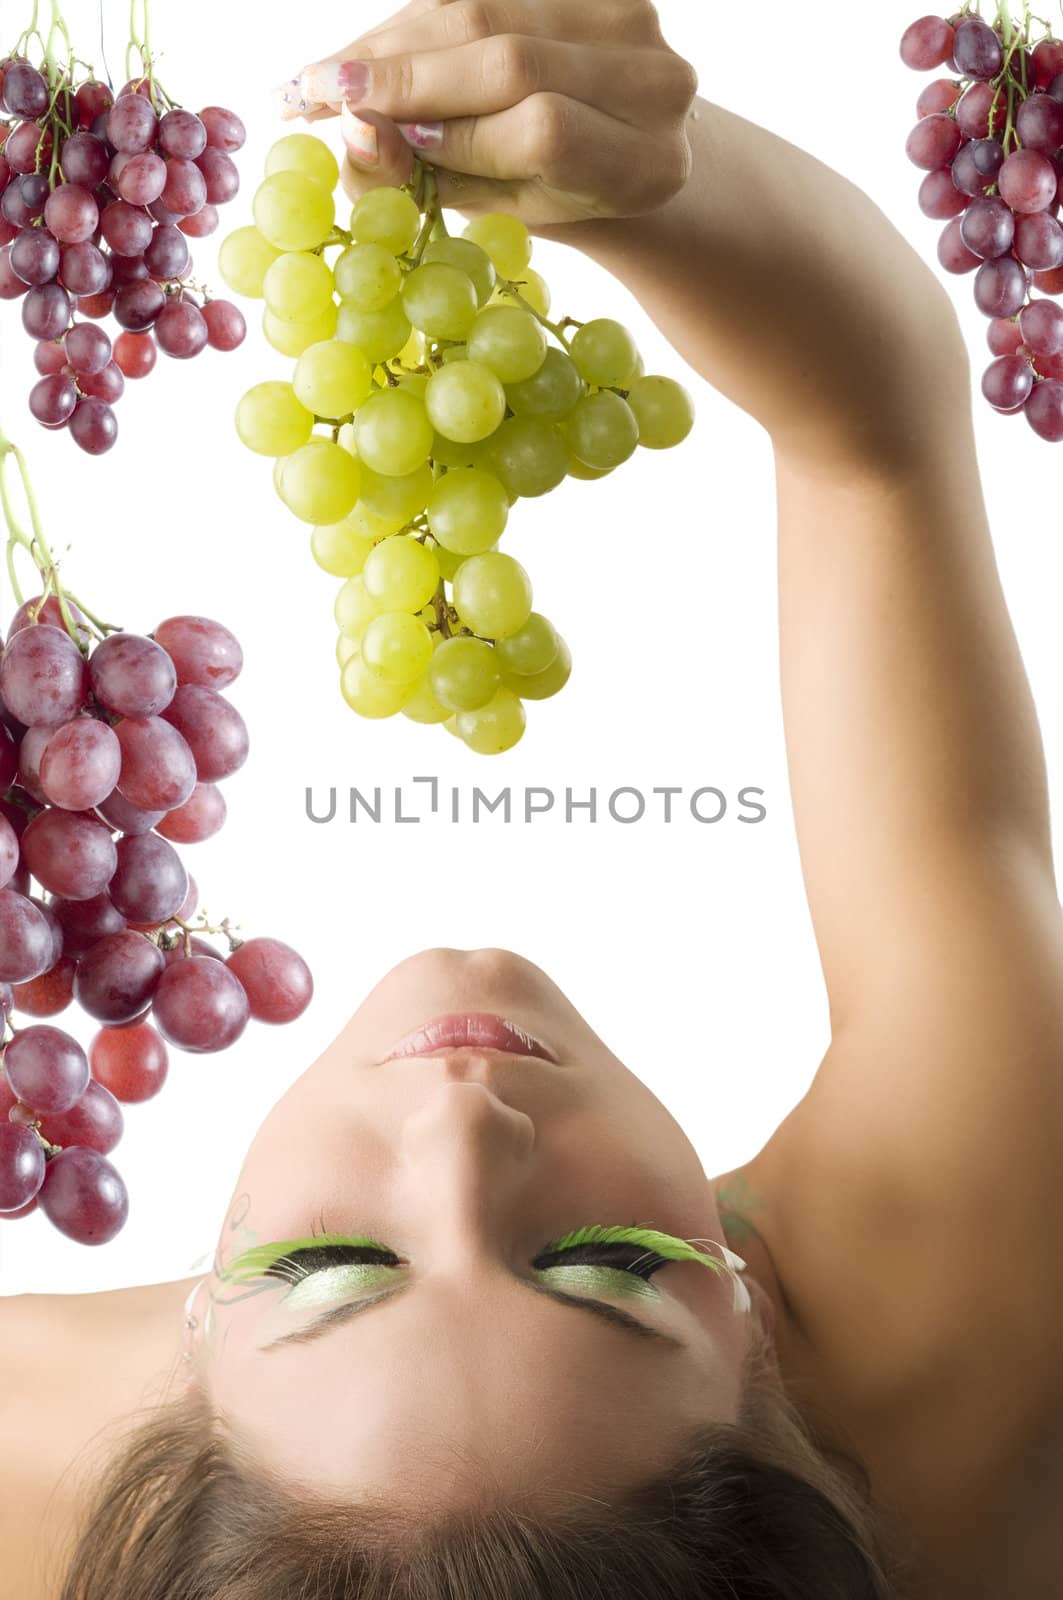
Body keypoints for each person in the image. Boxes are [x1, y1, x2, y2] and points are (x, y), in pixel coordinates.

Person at [4, 2, 1062, 1595]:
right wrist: (661, 176)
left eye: (334, 1265)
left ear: (189, 1357)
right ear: (759, 1340)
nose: (459, 1127)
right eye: (610, 1266)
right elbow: (873, 430)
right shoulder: (958, 1315)